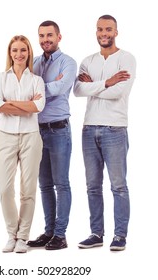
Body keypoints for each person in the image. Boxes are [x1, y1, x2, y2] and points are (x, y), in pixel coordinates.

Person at [74, 15, 136, 251]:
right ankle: (96, 233)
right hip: (89, 129)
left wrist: (98, 85)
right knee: (92, 185)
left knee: (118, 185)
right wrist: (106, 82)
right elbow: (78, 90)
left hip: (114, 128)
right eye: (100, 29)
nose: (104, 33)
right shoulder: (87, 60)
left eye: (108, 29)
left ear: (116, 32)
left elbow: (119, 92)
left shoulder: (127, 59)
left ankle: (120, 235)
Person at [0, 35, 45, 253]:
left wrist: (10, 104)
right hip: (5, 135)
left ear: (29, 53)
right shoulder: (0, 78)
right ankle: (12, 234)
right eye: (15, 50)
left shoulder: (37, 80)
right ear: (9, 53)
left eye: (23, 50)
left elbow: (38, 106)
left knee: (28, 189)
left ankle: (23, 237)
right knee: (5, 188)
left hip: (31, 136)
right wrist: (25, 105)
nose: (19, 54)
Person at [27, 21, 77, 250]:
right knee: (44, 185)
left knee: (61, 183)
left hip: (58, 130)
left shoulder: (68, 62)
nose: (45, 39)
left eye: (50, 35)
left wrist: (37, 90)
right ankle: (48, 232)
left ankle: (60, 234)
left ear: (59, 36)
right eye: (41, 35)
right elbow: (25, 89)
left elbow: (59, 89)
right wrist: (46, 87)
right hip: (37, 131)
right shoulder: (34, 63)